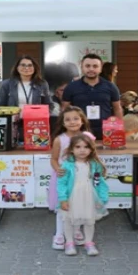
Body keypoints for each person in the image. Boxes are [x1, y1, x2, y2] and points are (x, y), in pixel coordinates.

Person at [49, 106, 94, 250]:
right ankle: (59, 234)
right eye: (67, 119)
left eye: (76, 118)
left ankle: (76, 230)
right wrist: (58, 169)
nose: (72, 122)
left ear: (82, 121)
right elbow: (54, 159)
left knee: (80, 204)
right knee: (63, 206)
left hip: (81, 179)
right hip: (65, 180)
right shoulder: (59, 140)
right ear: (62, 123)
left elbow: (93, 156)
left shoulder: (87, 138)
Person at [57, 133, 109, 256]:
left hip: (89, 197)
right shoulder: (67, 166)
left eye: (86, 147)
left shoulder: (94, 165)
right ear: (72, 149)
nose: (82, 150)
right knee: (68, 220)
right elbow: (61, 184)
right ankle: (69, 243)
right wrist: (63, 199)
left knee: (89, 220)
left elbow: (99, 182)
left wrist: (102, 198)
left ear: (91, 149)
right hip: (72, 197)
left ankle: (89, 242)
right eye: (78, 147)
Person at [62, 54, 123, 140]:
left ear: (100, 68)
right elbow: (65, 109)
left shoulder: (111, 87)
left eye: (95, 66)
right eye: (87, 66)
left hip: (106, 132)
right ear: (82, 67)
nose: (91, 69)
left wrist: (119, 129)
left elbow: (117, 109)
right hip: (79, 131)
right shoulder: (71, 87)